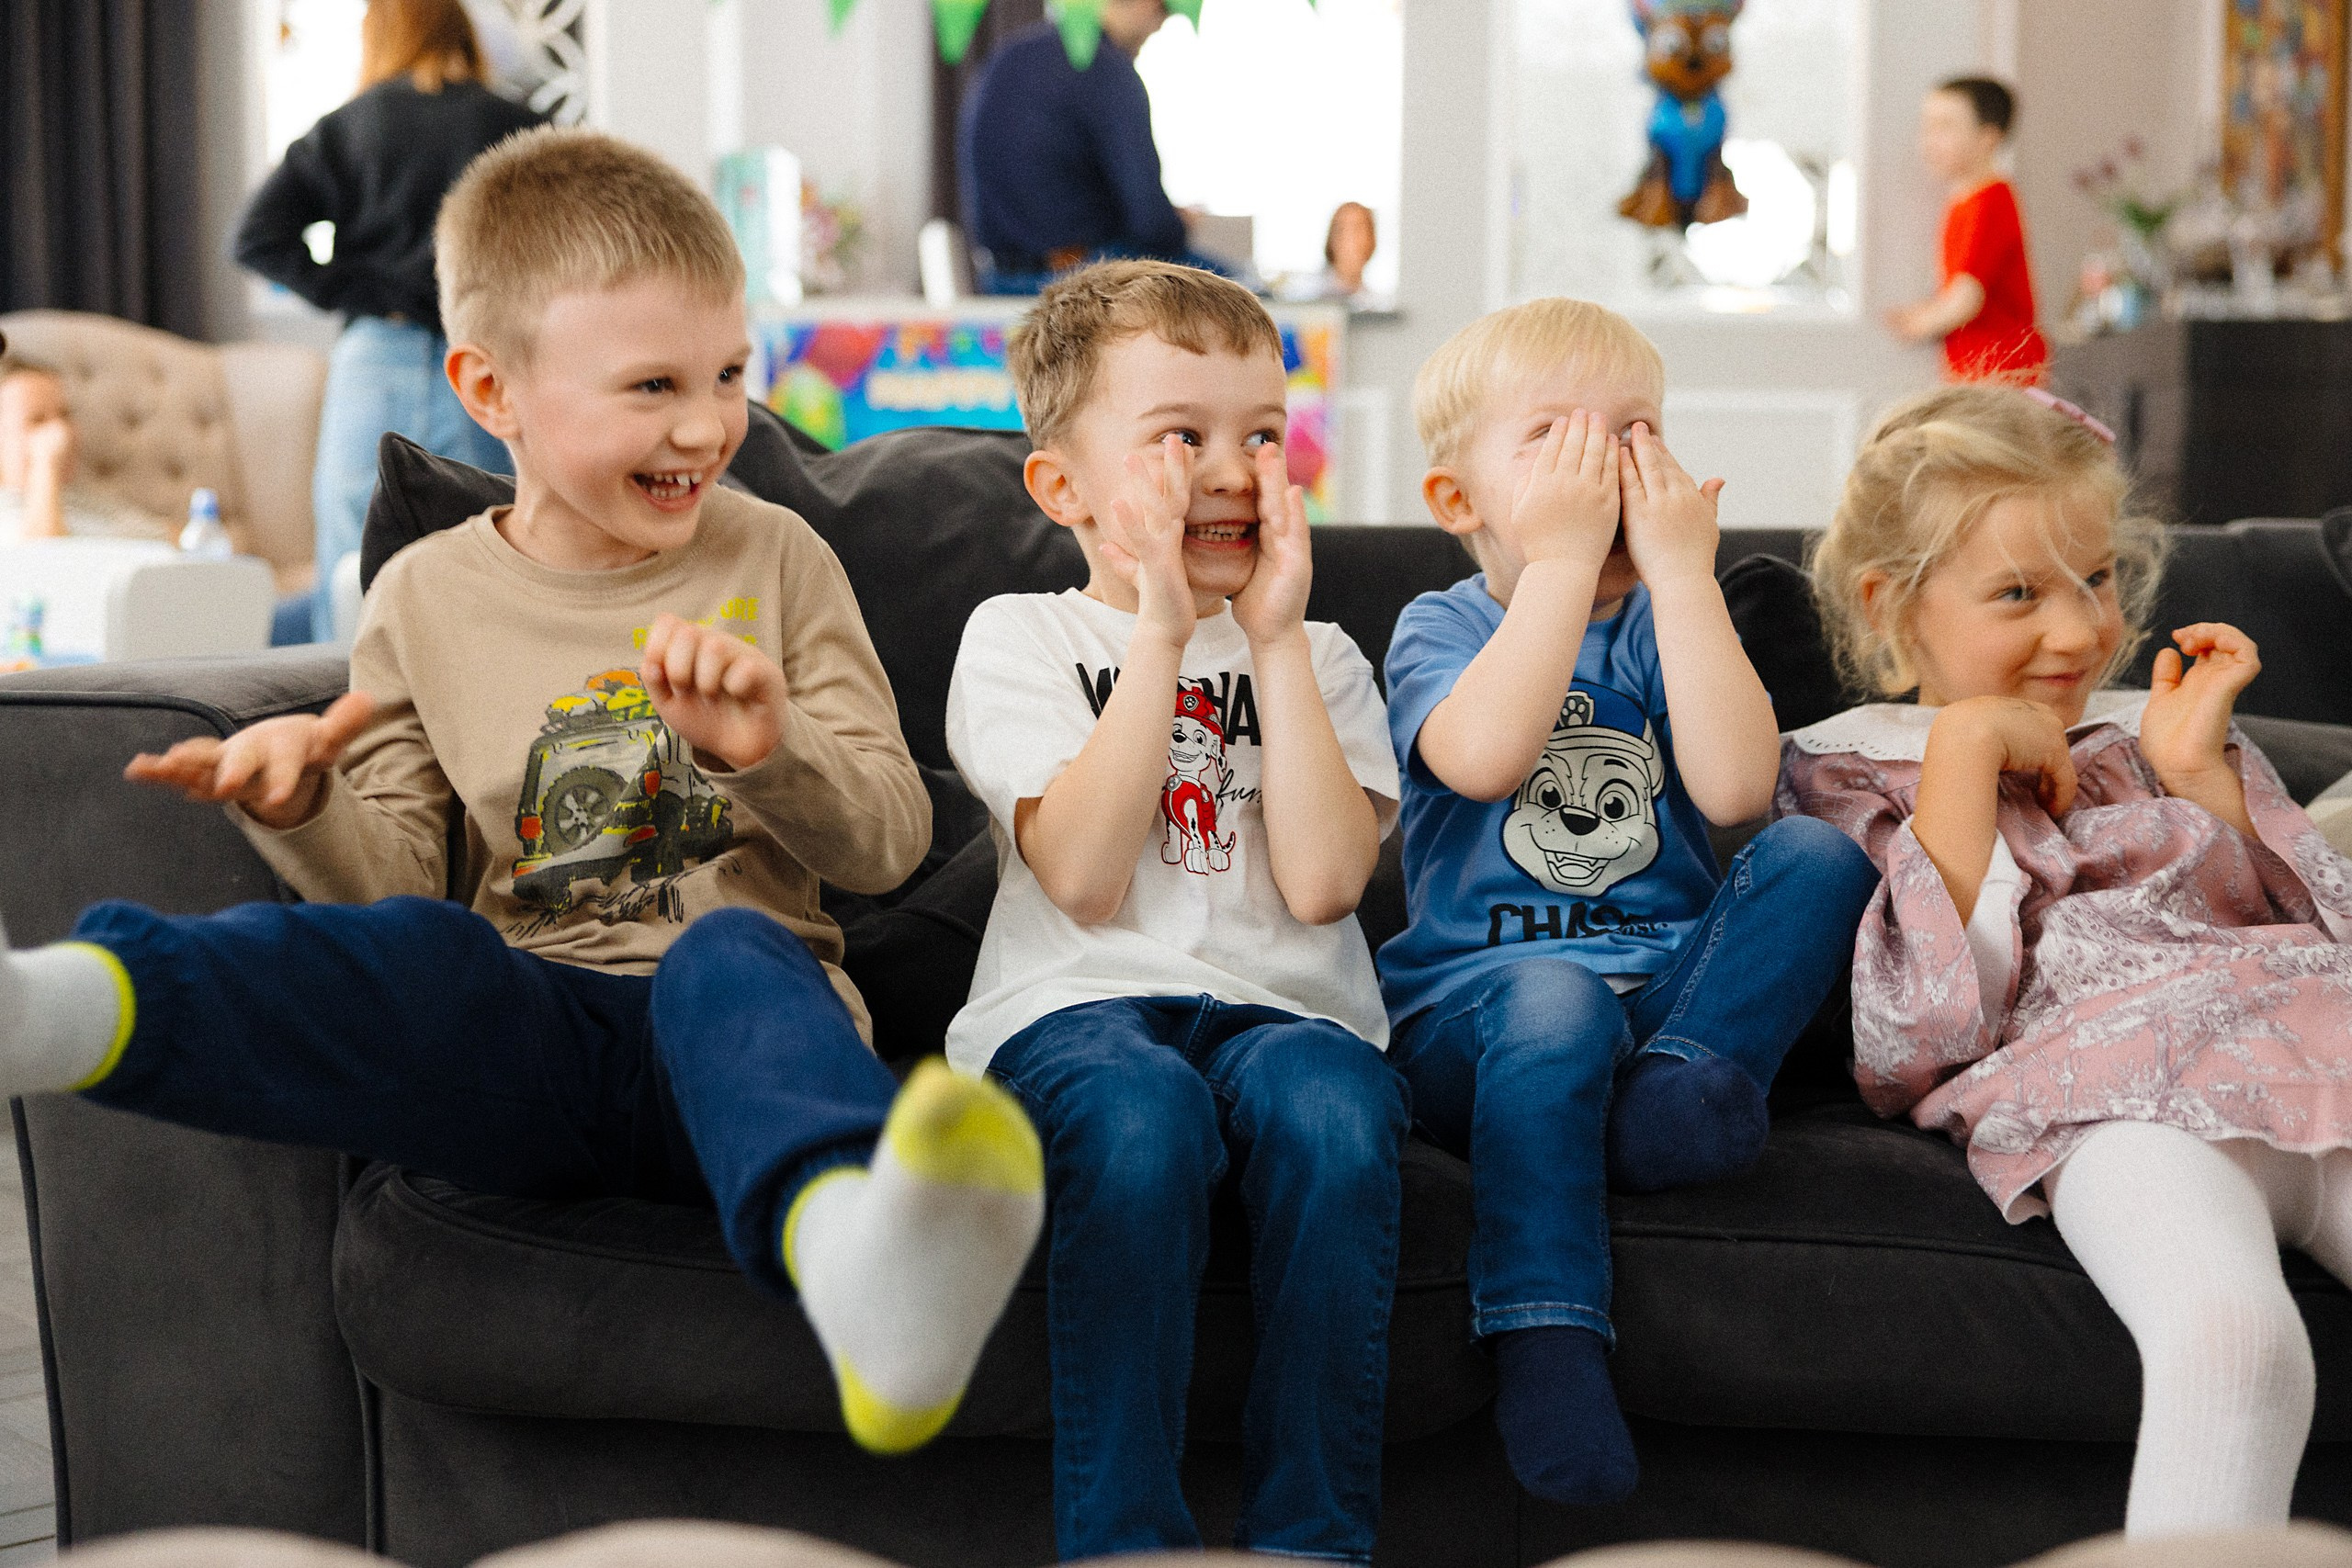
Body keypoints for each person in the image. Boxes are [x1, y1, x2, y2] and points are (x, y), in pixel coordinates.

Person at [0, 127, 1044, 1459]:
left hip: (733, 1044)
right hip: (538, 1036)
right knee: (425, 955)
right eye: (653, 384)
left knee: (731, 953)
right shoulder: (425, 596)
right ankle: (54, 1008)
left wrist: (766, 746)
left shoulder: (777, 558)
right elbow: (396, 878)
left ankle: (863, 1267)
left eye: (729, 374)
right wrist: (304, 805)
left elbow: (892, 844)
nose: (707, 425)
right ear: (491, 388)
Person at [1785, 383, 2352, 1538]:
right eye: (2018, 593)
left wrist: (2199, 779)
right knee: (2232, 1342)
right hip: (2110, 1100)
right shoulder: (1849, 768)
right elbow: (1918, 1043)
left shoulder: (2156, 729)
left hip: (2317, 1050)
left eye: (2095, 579)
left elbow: (2314, 927)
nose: (2080, 629)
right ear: (1892, 606)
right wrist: (1963, 757)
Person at [1376, 298, 1883, 1506]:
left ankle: (1677, 1093)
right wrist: (1559, 565)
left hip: (1658, 1006)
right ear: (1457, 500)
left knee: (1818, 855)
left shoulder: (1662, 620)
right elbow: (1485, 758)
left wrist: (1684, 578)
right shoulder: (1437, 627)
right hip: (1477, 1017)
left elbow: (1736, 787)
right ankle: (1545, 1330)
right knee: (1555, 1003)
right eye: (1555, 438)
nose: (1604, 468)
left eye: (1634, 432)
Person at [944, 259, 1407, 1562]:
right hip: (1075, 1007)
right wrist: (1157, 636)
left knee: (1337, 1119)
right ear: (1063, 488)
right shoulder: (1020, 638)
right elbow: (1083, 876)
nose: (1231, 471)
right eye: (1180, 436)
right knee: (1142, 1120)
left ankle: (1312, 1542)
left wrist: (1271, 639)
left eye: (1260, 435)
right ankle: (1126, 1545)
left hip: (1287, 1013)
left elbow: (1323, 886)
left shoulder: (1320, 654)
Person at [235, 0, 545, 642]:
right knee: (492, 542)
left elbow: (257, 238)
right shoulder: (516, 127)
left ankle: (349, 695)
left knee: (353, 560)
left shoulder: (349, 126)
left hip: (375, 357)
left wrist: (365, 290)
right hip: (486, 359)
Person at [956, 1, 1221, 294]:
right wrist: (1180, 223)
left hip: (999, 282)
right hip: (1084, 282)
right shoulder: (1108, 68)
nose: (1160, 26)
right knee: (1246, 294)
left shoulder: (1010, 55)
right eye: (1165, 12)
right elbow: (1154, 227)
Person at [1885, 77, 2049, 384]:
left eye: (1945, 127)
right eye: (1927, 127)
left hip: (2001, 370)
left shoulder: (1990, 202)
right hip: (1978, 369)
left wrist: (1920, 323)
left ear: (1988, 138)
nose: (1930, 140)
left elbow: (1967, 298)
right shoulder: (1963, 201)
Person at [0, 358, 175, 546]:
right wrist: (46, 465)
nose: (61, 433)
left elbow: (170, 537)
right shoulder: (9, 513)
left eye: (65, 415)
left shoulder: (90, 501)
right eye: (37, 421)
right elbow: (44, 556)